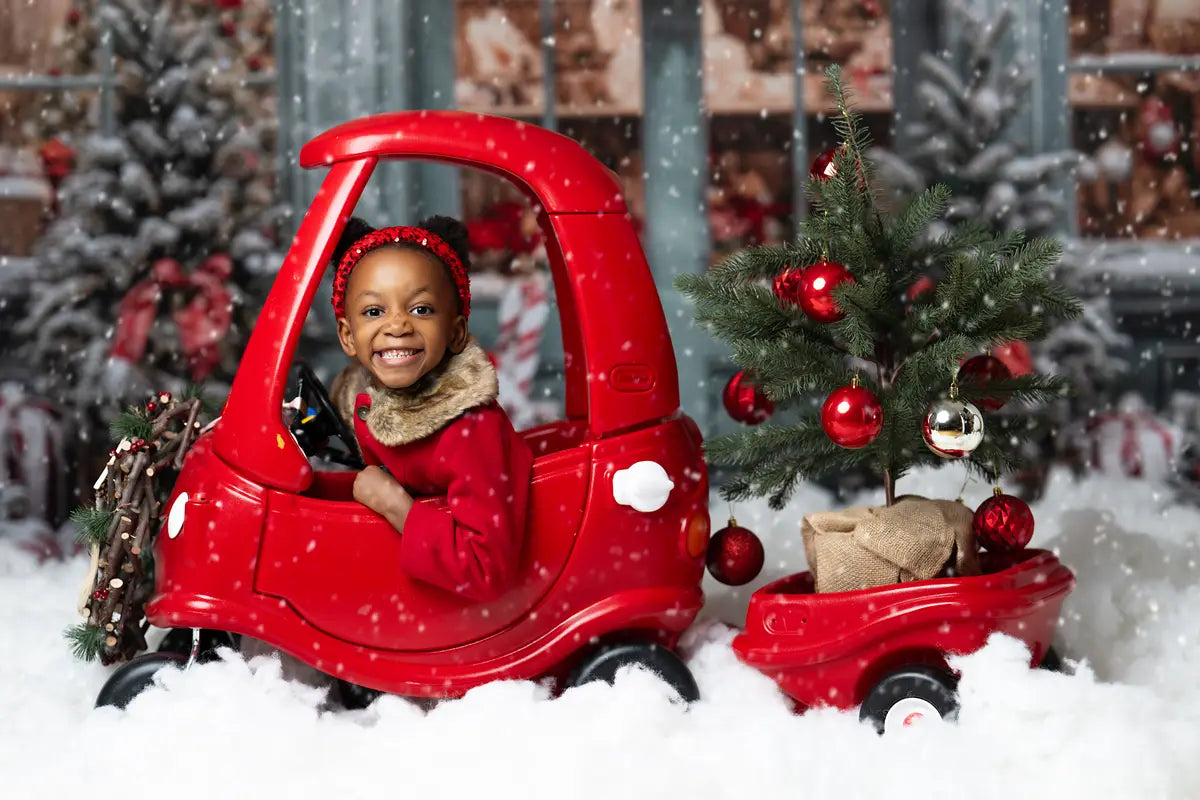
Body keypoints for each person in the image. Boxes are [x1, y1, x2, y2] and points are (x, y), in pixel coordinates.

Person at [327, 215, 534, 601]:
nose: (398, 326)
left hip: (457, 612)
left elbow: (486, 569)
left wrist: (396, 507)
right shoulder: (370, 402)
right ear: (347, 336)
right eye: (374, 312)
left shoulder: (470, 430)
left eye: (421, 309)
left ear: (455, 332)